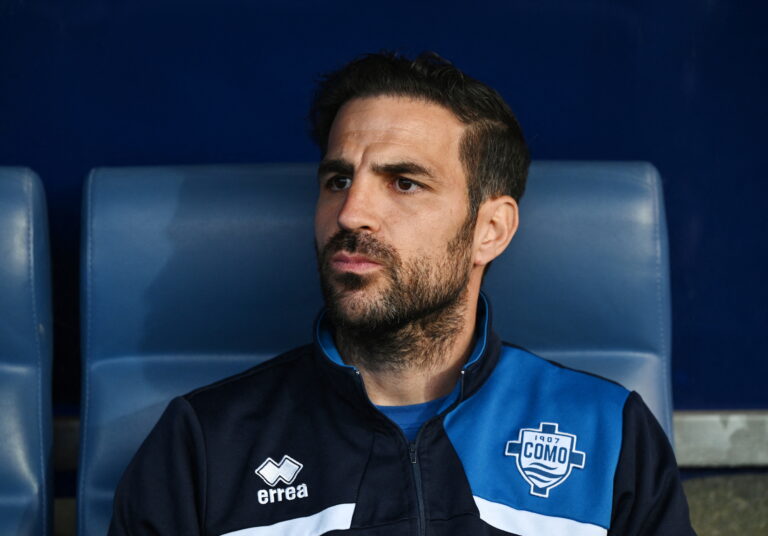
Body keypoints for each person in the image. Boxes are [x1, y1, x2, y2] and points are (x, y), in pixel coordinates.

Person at [109, 52, 696, 535]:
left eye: (404, 182)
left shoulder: (608, 429)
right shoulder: (205, 442)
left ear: (489, 230)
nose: (351, 212)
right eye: (338, 179)